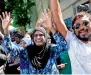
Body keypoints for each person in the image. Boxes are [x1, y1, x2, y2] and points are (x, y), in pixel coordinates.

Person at [0, 12, 68, 74]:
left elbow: (64, 46)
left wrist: (51, 28)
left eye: (41, 35)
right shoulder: (26, 51)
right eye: (35, 35)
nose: (38, 37)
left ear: (45, 37)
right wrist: (5, 30)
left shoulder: (51, 50)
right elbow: (10, 48)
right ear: (33, 38)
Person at [50, 0, 91, 74]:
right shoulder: (72, 41)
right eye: (77, 26)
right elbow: (57, 18)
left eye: (85, 23)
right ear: (74, 30)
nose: (82, 27)